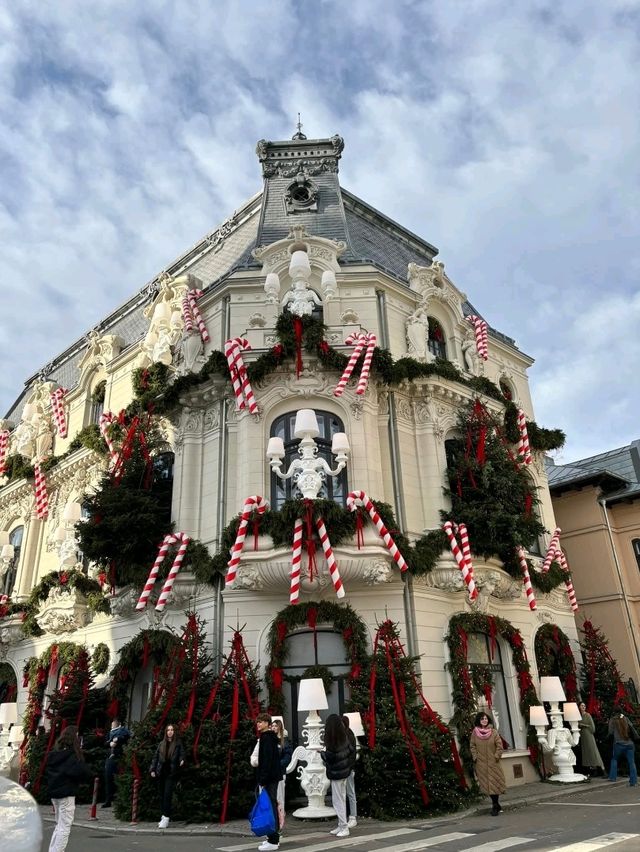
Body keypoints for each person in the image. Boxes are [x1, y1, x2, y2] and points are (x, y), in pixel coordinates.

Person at [45, 724, 93, 852]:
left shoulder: (54, 754)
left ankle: (53, 850)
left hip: (54, 794)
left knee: (59, 825)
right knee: (64, 827)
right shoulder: (71, 756)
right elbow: (84, 772)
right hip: (66, 794)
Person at [321, 714, 356, 838]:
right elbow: (351, 752)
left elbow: (330, 757)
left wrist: (322, 753)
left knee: (337, 801)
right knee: (341, 798)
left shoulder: (332, 741)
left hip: (336, 773)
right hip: (344, 772)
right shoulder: (344, 737)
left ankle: (344, 826)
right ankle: (342, 825)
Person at [253, 712, 282, 852]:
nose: (258, 724)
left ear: (267, 723)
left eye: (261, 722)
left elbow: (267, 761)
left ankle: (274, 840)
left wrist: (263, 779)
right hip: (272, 777)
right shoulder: (268, 737)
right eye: (257, 721)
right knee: (270, 806)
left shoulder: (267, 738)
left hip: (269, 778)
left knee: (270, 807)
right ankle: (271, 838)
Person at [470, 711, 506, 816]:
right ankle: (496, 804)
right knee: (487, 785)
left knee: (494, 784)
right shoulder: (475, 733)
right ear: (479, 721)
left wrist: (496, 756)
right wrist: (475, 757)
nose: (484, 720)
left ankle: (495, 805)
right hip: (481, 764)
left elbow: (500, 746)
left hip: (493, 762)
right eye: (482, 719)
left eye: (486, 718)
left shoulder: (494, 732)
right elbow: (472, 746)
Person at [150, 723, 185, 828]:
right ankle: (163, 816)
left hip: (171, 773)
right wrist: (152, 769)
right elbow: (155, 758)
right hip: (161, 773)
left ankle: (166, 818)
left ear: (174, 732)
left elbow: (182, 754)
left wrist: (182, 760)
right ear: (166, 732)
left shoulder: (178, 743)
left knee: (167, 795)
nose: (170, 731)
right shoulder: (161, 744)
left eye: (172, 730)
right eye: (168, 730)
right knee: (161, 795)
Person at [102, 717, 131, 807]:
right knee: (108, 778)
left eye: (113, 724)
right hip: (110, 758)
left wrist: (117, 740)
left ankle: (120, 800)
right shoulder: (109, 733)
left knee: (120, 779)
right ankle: (108, 800)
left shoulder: (123, 731)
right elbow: (105, 743)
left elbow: (126, 737)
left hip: (119, 758)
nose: (112, 726)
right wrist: (110, 743)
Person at [608, 708, 638, 786]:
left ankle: (613, 777)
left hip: (618, 744)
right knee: (631, 762)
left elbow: (610, 732)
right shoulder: (626, 719)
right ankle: (633, 781)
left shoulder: (612, 720)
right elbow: (632, 729)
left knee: (614, 759)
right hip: (630, 744)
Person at [271, 719, 292, 831]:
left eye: (275, 726)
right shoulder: (270, 740)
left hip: (279, 773)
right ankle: (273, 824)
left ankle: (280, 825)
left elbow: (287, 757)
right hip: (271, 774)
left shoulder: (284, 742)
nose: (273, 728)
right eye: (272, 726)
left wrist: (278, 765)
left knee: (280, 799)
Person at [578, 702, 605, 776]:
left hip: (588, 734)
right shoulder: (578, 716)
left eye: (584, 705)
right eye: (582, 705)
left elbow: (592, 727)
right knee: (586, 752)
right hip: (583, 736)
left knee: (592, 750)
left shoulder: (588, 715)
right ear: (579, 707)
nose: (583, 707)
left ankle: (600, 769)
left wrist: (583, 725)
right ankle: (591, 769)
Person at [341, 715, 358, 829]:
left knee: (350, 792)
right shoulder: (345, 735)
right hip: (344, 767)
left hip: (348, 768)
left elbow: (351, 754)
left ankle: (353, 816)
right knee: (345, 793)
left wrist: (349, 767)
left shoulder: (349, 735)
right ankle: (348, 816)